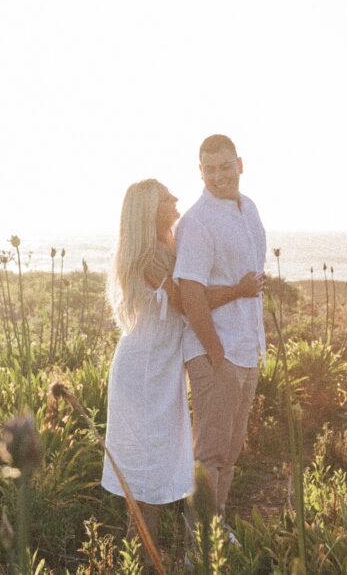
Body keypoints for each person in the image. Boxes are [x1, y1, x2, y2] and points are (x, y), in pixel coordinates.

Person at [101, 178, 262, 554]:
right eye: (165, 198)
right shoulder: (151, 258)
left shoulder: (166, 247)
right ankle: (141, 554)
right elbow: (191, 303)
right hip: (142, 373)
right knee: (145, 468)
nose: (176, 200)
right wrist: (238, 290)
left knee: (155, 464)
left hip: (160, 370)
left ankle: (148, 552)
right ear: (147, 212)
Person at [174, 134, 267, 521]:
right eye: (209, 169)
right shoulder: (197, 222)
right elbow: (189, 294)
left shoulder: (250, 210)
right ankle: (199, 547)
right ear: (200, 172)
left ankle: (218, 525)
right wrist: (216, 353)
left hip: (245, 349)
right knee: (209, 454)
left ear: (239, 165)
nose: (217, 176)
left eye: (225, 167)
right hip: (217, 352)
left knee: (230, 452)